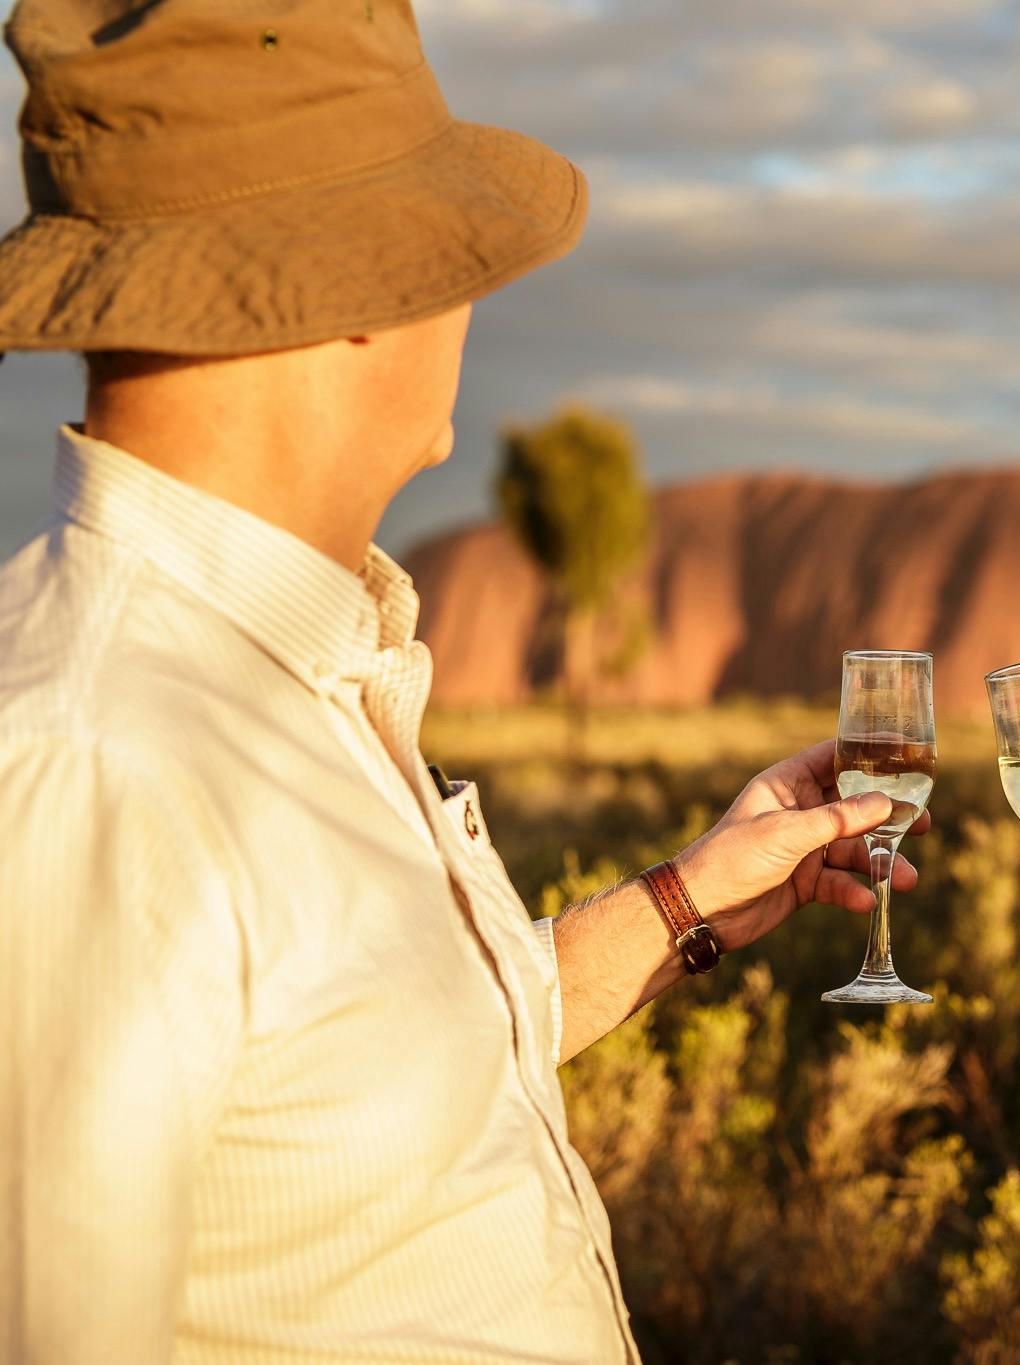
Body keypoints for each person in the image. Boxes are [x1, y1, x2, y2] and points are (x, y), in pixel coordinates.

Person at [0, 4, 920, 1360]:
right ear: (348, 285)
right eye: (447, 244)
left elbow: (378, 1074)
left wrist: (686, 904)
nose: (467, 302)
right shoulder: (91, 761)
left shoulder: (279, 669)